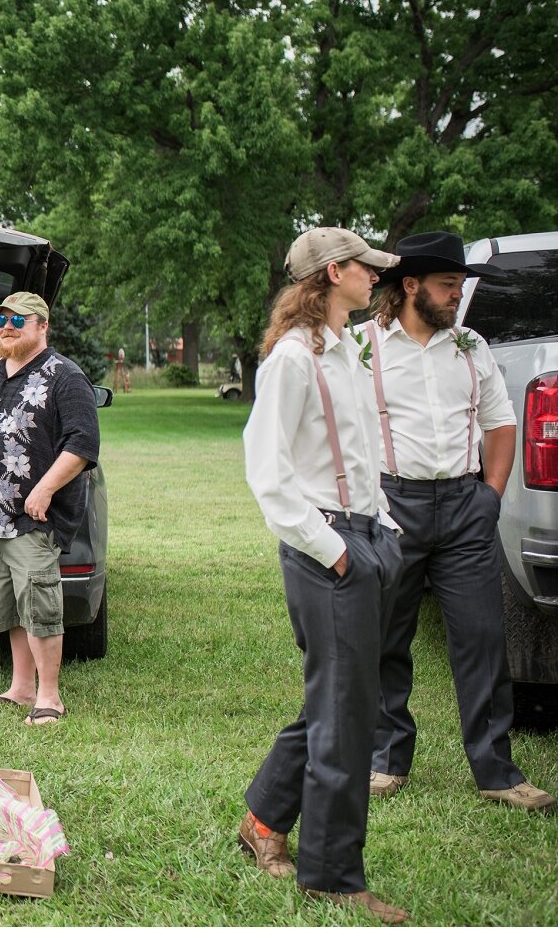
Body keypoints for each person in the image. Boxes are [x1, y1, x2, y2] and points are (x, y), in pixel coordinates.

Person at [238, 228, 408, 924]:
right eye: (367, 267)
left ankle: (263, 819)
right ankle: (333, 875)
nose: (377, 277)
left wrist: (386, 527)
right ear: (335, 271)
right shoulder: (293, 359)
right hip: (327, 545)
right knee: (345, 718)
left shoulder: (344, 348)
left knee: (338, 701)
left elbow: (360, 454)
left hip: (364, 535)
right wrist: (334, 548)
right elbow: (268, 474)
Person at [360, 231, 555, 812]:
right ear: (412, 286)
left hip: (466, 507)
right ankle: (385, 758)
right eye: (449, 286)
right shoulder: (363, 347)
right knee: (385, 640)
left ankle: (496, 771)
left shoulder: (472, 347)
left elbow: (500, 426)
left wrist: (490, 496)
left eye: (461, 285)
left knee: (483, 640)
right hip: (393, 506)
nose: (457, 296)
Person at [0, 291, 101, 727]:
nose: (7, 326)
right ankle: (20, 688)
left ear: (42, 325)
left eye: (18, 319)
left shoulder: (65, 377)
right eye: (0, 320)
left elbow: (83, 444)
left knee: (40, 603)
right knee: (10, 602)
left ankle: (49, 696)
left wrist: (46, 489)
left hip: (34, 515)